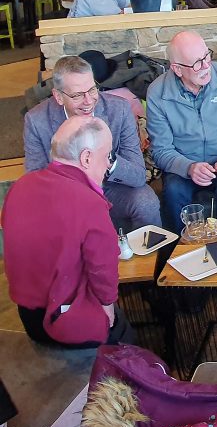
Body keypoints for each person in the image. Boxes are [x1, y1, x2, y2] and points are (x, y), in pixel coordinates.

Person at [2, 116, 133, 348]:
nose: (107, 165)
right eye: (107, 156)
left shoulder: (19, 187)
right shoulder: (89, 202)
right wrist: (109, 312)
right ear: (86, 158)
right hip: (68, 321)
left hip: (29, 318)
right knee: (125, 338)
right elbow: (103, 272)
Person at [23, 55, 160, 230]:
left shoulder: (119, 109)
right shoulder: (36, 120)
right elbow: (35, 180)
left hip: (113, 187)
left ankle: (151, 249)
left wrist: (106, 160)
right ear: (58, 96)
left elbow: (138, 176)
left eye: (92, 90)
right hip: (66, 194)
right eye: (77, 95)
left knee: (146, 201)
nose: (89, 101)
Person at [146, 31, 217, 232]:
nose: (206, 66)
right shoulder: (157, 93)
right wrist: (189, 167)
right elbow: (161, 150)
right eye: (197, 63)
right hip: (183, 165)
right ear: (177, 69)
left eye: (206, 56)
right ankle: (182, 249)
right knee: (174, 192)